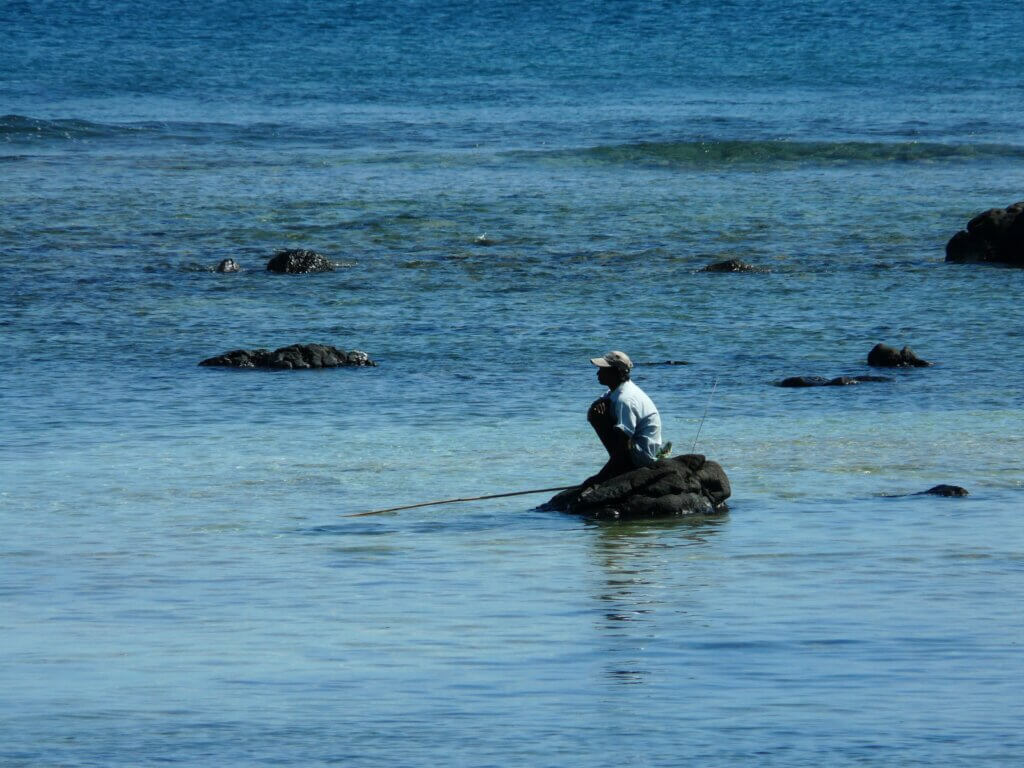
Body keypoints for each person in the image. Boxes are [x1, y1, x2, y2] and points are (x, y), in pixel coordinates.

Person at [584, 350, 664, 487]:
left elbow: (623, 443)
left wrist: (600, 477)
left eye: (602, 370)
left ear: (615, 372)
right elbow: (592, 410)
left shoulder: (625, 399)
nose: (598, 373)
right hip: (633, 447)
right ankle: (617, 465)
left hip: (643, 456)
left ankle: (622, 467)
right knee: (596, 414)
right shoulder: (616, 390)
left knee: (600, 418)